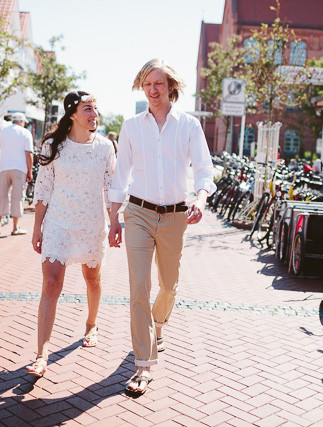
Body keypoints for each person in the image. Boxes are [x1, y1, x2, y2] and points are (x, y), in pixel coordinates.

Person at [107, 59, 216, 395]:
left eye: (158, 83)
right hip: (137, 213)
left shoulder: (189, 126)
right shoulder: (131, 126)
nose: (153, 90)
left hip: (174, 216)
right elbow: (120, 174)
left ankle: (160, 324)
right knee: (138, 287)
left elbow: (204, 170)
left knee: (168, 285)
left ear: (171, 86)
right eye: (147, 84)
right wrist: (113, 218)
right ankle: (143, 365)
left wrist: (199, 199)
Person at [27, 91, 116, 377]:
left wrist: (115, 222)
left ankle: (91, 323)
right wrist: (37, 227)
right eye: (88, 108)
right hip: (58, 224)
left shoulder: (105, 147)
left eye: (95, 108)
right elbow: (43, 189)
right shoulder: (53, 146)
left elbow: (110, 188)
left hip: (91, 224)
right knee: (51, 284)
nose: (94, 114)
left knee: (93, 278)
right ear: (73, 114)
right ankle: (41, 354)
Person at [0, 113, 34, 235]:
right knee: (17, 197)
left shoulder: (3, 131)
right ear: (22, 122)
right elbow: (29, 153)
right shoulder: (25, 133)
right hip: (20, 169)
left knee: (2, 196)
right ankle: (15, 228)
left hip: (4, 167)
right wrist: (30, 171)